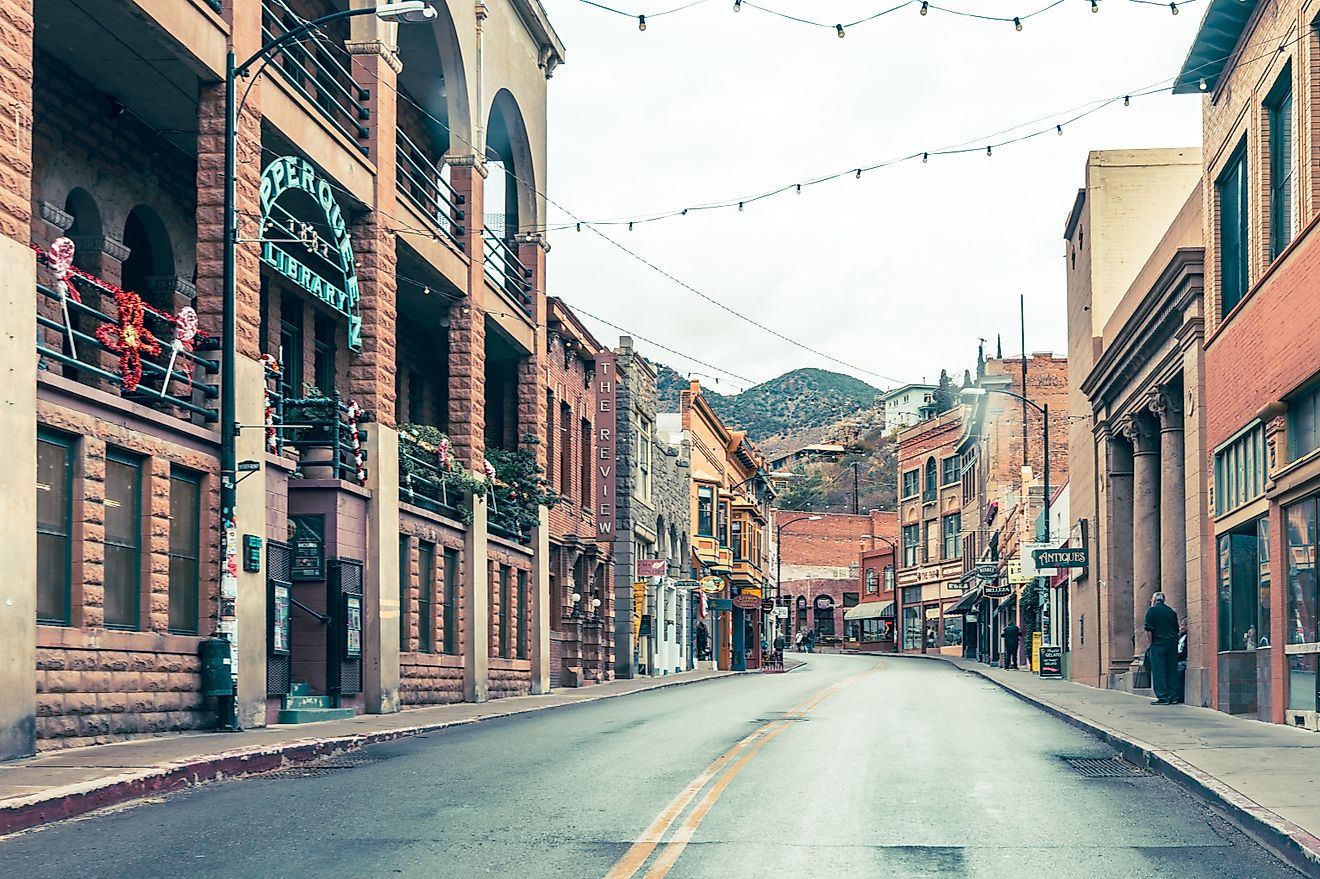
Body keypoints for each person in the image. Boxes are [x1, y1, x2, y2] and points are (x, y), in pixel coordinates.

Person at [1144, 591, 1180, 705]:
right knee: (1172, 670)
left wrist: (1151, 643)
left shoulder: (1152, 611)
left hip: (1158, 644)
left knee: (1159, 671)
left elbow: (1148, 629)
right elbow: (1176, 629)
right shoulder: (1171, 612)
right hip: (1172, 644)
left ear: (1154, 600)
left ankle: (1163, 697)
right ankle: (1174, 697)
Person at [1174, 619, 1188, 704]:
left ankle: (1178, 695)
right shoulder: (1180, 637)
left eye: (1183, 625)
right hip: (1178, 659)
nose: (1181, 627)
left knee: (1177, 669)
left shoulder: (1187, 637)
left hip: (1182, 660)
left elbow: (1185, 652)